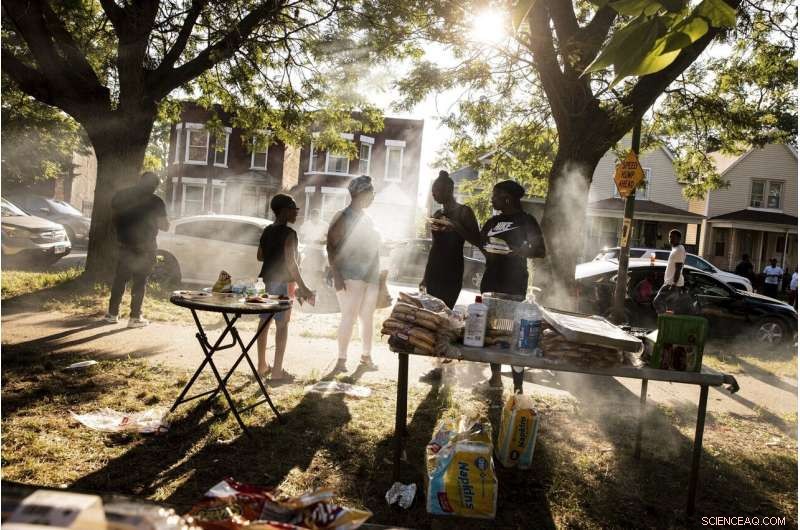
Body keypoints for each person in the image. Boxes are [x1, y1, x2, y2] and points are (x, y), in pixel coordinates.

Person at [440, 180, 546, 393]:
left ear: (507, 197)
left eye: (496, 195)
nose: (492, 199)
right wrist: (455, 226)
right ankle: (495, 378)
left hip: (514, 282)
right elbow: (479, 242)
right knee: (491, 331)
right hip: (490, 282)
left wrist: (518, 252)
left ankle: (518, 387)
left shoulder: (526, 221)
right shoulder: (492, 222)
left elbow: (540, 250)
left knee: (515, 333)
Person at [255, 194, 314, 381]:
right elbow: (291, 264)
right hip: (284, 283)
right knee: (282, 325)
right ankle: (278, 372)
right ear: (284, 211)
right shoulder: (290, 234)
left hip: (267, 281)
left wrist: (275, 255)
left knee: (264, 323)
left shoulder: (267, 231)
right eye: (293, 209)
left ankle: (261, 366)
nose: (296, 213)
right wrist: (304, 287)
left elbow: (260, 256)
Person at [327, 176, 381, 373]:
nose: (373, 197)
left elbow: (372, 246)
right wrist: (337, 275)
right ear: (360, 194)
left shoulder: (368, 218)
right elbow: (331, 247)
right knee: (349, 316)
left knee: (368, 318)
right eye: (371, 193)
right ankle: (341, 360)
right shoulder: (342, 216)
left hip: (370, 275)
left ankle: (366, 357)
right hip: (350, 274)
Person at [103, 172, 168, 328]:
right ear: (154, 186)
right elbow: (164, 226)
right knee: (140, 282)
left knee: (120, 279)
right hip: (146, 246)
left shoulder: (121, 196)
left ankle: (112, 314)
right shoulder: (156, 202)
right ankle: (135, 317)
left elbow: (113, 217)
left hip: (125, 244)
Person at [421, 170, 481, 309]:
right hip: (434, 270)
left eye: (436, 190)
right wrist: (425, 276)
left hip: (452, 271)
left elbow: (477, 240)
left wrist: (456, 226)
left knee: (445, 310)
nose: (433, 194)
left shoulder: (464, 212)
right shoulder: (437, 214)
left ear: (449, 191)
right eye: (433, 190)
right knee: (431, 312)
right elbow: (434, 246)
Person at [652, 230, 687, 314]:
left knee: (657, 302)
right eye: (669, 236)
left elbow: (678, 267)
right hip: (670, 282)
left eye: (673, 237)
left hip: (672, 283)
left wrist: (674, 283)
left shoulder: (679, 249)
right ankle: (666, 324)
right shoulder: (675, 249)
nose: (670, 238)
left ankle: (663, 320)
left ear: (679, 238)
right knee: (670, 307)